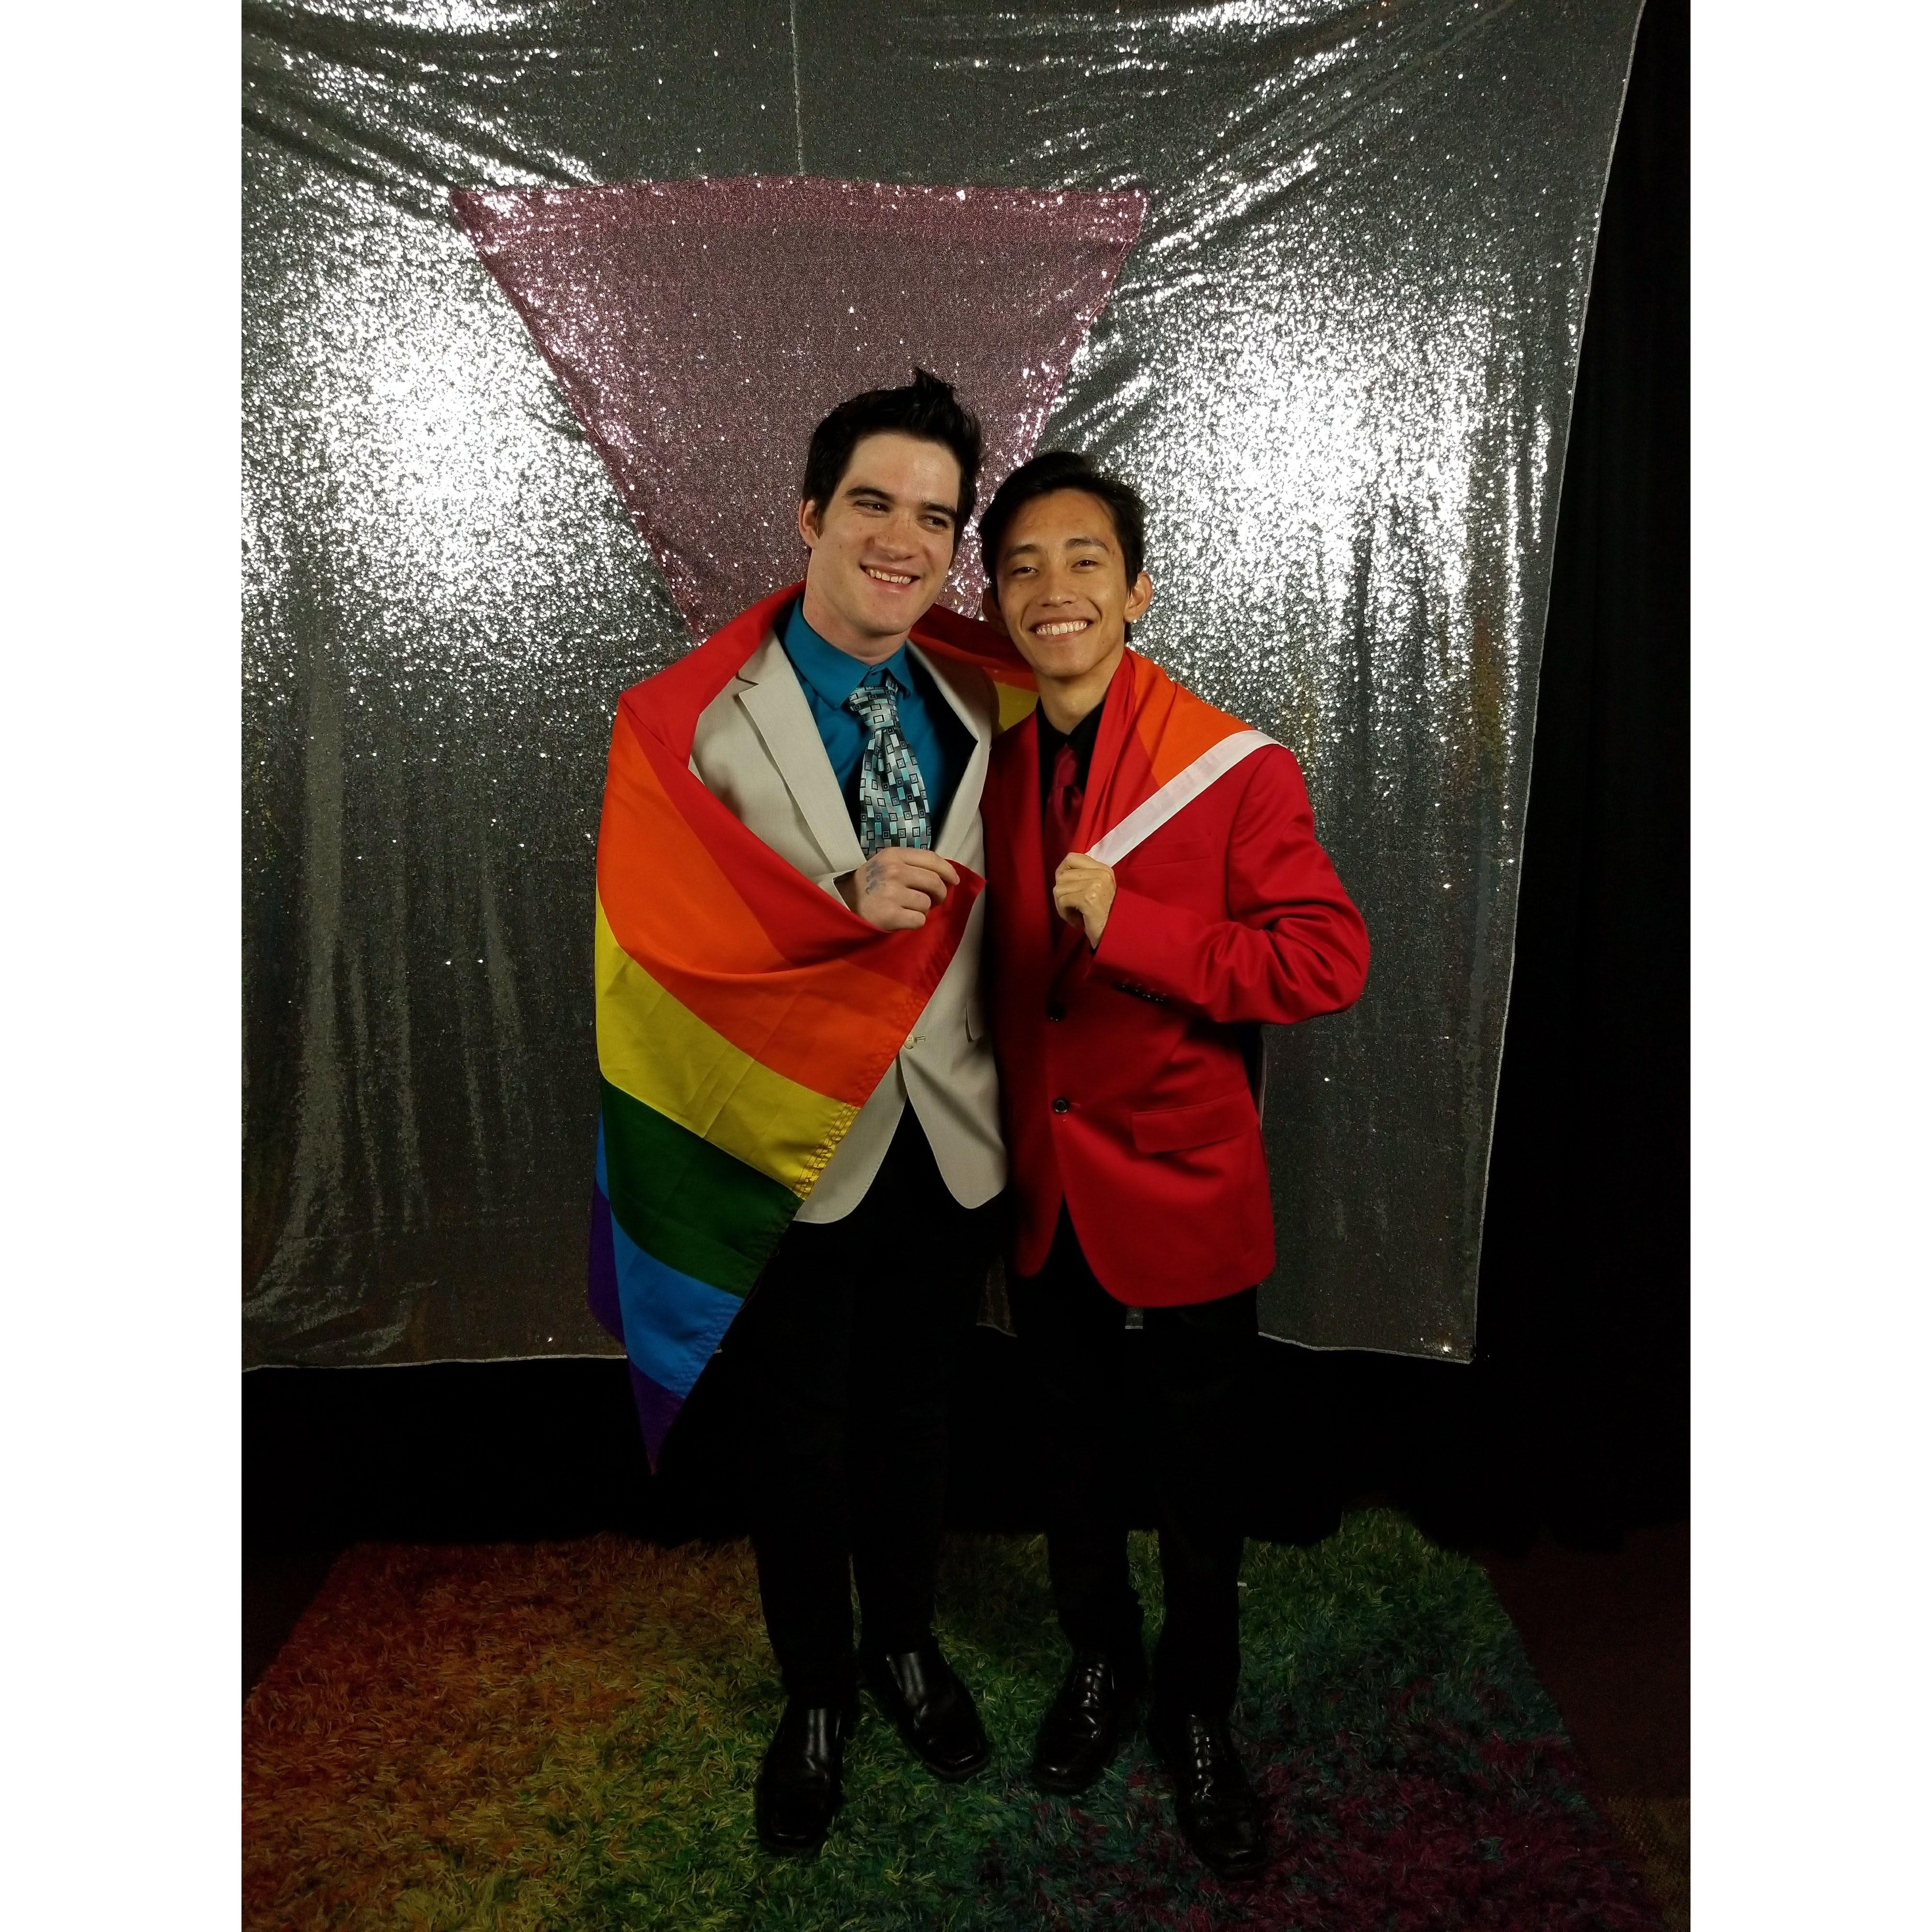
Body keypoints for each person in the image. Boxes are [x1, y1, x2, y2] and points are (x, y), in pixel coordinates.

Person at [977, 449, 1370, 1878]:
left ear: (1136, 589)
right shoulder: (995, 767)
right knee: (1071, 1466)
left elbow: (1326, 960)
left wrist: (1136, 925)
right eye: (1021, 565)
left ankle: (1201, 1718)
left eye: (1084, 559)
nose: (1052, 589)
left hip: (1187, 1192)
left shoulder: (1236, 763)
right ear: (999, 600)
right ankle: (1102, 1668)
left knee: (1201, 1492)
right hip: (1044, 1198)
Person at [680, 371, 1008, 1852]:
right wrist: (835, 900)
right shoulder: (703, 719)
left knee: (917, 1415)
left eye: (935, 516)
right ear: (810, 515)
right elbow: (666, 937)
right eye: (873, 502)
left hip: (949, 1128)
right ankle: (818, 1689)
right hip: (792, 1139)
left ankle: (904, 1644)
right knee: (795, 1432)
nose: (903, 537)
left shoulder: (971, 698)